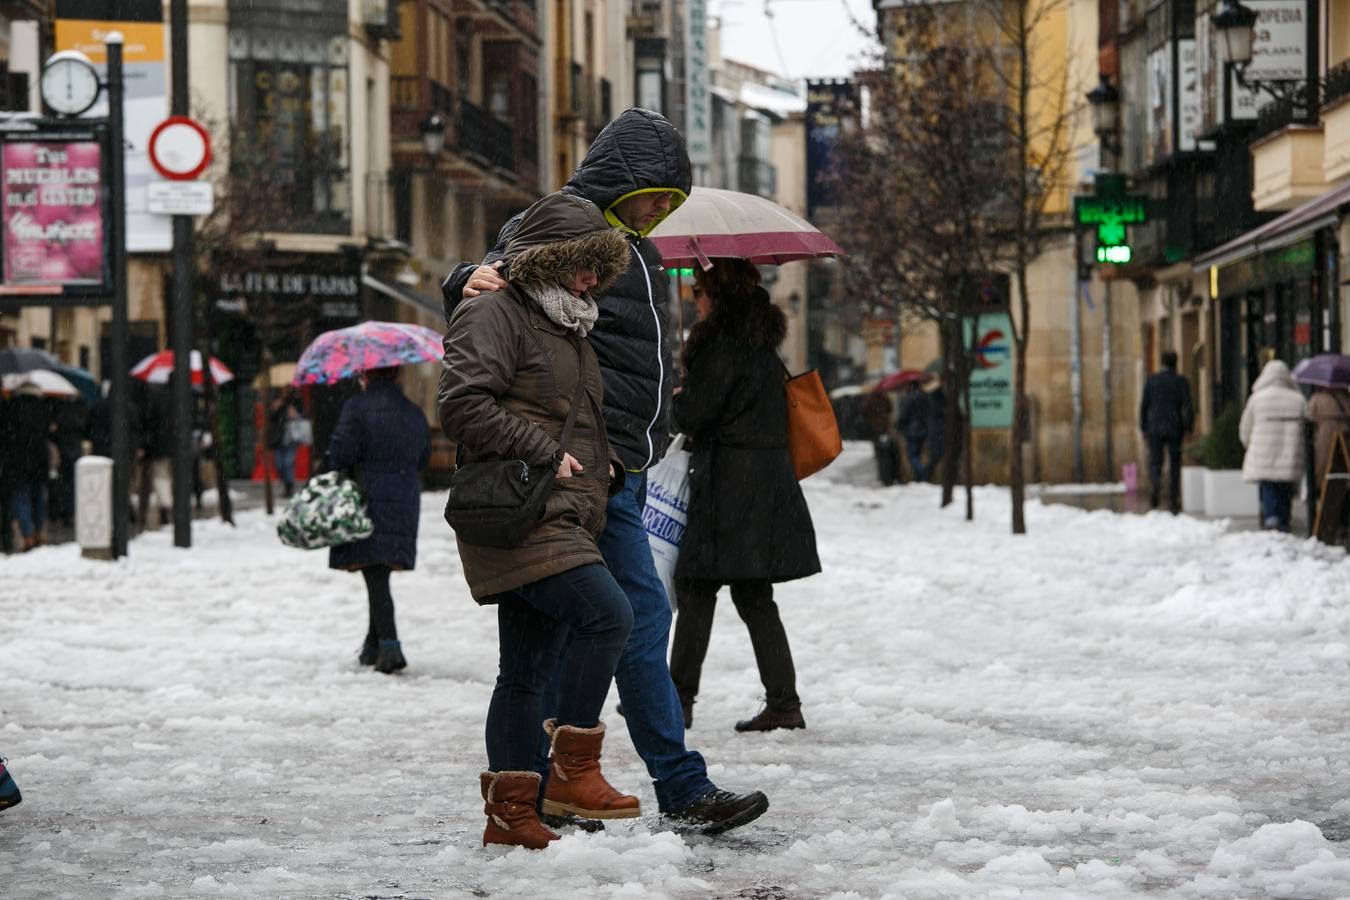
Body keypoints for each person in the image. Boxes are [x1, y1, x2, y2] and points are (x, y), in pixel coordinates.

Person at [443, 108, 768, 835]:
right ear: (625, 183)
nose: (660, 212)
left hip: (617, 466)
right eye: (655, 197)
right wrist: (464, 276)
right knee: (632, 618)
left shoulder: (628, 249)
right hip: (589, 469)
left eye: (671, 204)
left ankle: (537, 801)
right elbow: (499, 285)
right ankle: (654, 785)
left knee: (559, 642)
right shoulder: (570, 232)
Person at [440, 192, 639, 850]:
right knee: (608, 616)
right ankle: (571, 772)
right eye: (579, 267)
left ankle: (511, 817)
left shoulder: (565, 325)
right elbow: (462, 405)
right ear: (547, 263)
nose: (589, 282)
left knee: (523, 674)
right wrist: (547, 454)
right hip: (518, 509)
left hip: (559, 512)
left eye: (597, 271)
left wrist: (597, 466)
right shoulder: (495, 311)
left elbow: (571, 417)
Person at [668, 260, 821, 732]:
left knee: (696, 590)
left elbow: (694, 415)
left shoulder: (721, 348)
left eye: (699, 292)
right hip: (762, 485)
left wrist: (680, 396)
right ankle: (783, 701)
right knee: (754, 595)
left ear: (718, 296)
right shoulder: (761, 347)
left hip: (728, 487)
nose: (695, 301)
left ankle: (677, 700)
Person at [326, 366, 429, 674]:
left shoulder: (356, 406)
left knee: (375, 569)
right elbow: (422, 457)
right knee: (378, 568)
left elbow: (341, 453)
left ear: (366, 375)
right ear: (397, 374)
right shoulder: (412, 411)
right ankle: (373, 645)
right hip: (403, 498)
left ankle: (389, 646)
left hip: (369, 497)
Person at [1239, 359, 1307, 532]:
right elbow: (1306, 430)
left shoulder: (1257, 398)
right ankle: (1283, 519)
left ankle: (1271, 518)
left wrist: (1249, 444)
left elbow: (1245, 427)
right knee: (1284, 486)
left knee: (1268, 485)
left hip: (1264, 453)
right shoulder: (1298, 399)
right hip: (1289, 453)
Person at [1139, 350, 1195, 513]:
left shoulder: (1152, 380)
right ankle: (1173, 499)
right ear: (1176, 363)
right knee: (1175, 463)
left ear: (1161, 362)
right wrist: (1188, 428)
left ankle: (1156, 482)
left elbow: (1144, 406)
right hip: (1174, 427)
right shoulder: (1181, 381)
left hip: (1155, 427)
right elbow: (1188, 407)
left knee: (1156, 461)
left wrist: (1144, 427)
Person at [2, 382, 53, 551]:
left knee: (21, 497)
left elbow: (7, 435)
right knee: (38, 498)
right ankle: (39, 533)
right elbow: (49, 432)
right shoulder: (44, 407)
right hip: (39, 461)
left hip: (18, 462)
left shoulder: (11, 407)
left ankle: (27, 535)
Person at [1307, 386, 1350, 495]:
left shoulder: (1316, 399)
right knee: (1343, 470)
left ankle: (1322, 496)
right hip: (1345, 439)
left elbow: (1309, 420)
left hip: (1323, 441)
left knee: (1324, 471)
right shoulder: (1346, 397)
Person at [269, 388, 306, 497]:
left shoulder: (295, 399)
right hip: (278, 437)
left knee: (288, 463)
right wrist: (274, 409)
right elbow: (271, 418)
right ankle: (286, 484)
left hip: (291, 436)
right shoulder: (276, 398)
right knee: (279, 464)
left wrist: (295, 413)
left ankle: (289, 487)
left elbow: (302, 415)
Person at [862, 392, 900, 486]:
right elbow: (890, 409)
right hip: (885, 429)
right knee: (888, 454)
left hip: (876, 429)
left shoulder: (870, 400)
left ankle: (885, 477)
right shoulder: (885, 399)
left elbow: (865, 413)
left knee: (881, 455)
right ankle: (891, 476)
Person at [896, 381, 930, 482]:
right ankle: (918, 478)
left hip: (912, 430)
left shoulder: (909, 397)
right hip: (923, 430)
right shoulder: (925, 396)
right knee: (917, 455)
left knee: (912, 456)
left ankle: (923, 472)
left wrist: (900, 426)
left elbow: (904, 414)